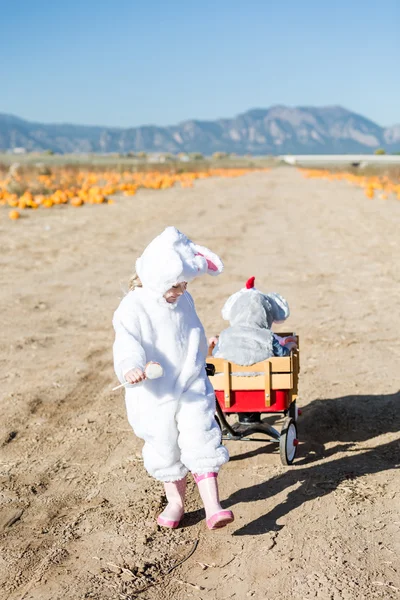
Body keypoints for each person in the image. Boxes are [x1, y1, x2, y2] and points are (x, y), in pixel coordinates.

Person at [112, 226, 234, 530]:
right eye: (175, 285)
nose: (180, 291)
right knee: (164, 445)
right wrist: (131, 365)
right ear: (155, 277)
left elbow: (190, 333)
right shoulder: (133, 307)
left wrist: (202, 350)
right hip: (155, 391)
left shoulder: (183, 300)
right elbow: (126, 342)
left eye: (183, 285)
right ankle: (176, 502)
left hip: (191, 383)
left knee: (201, 436)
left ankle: (213, 506)